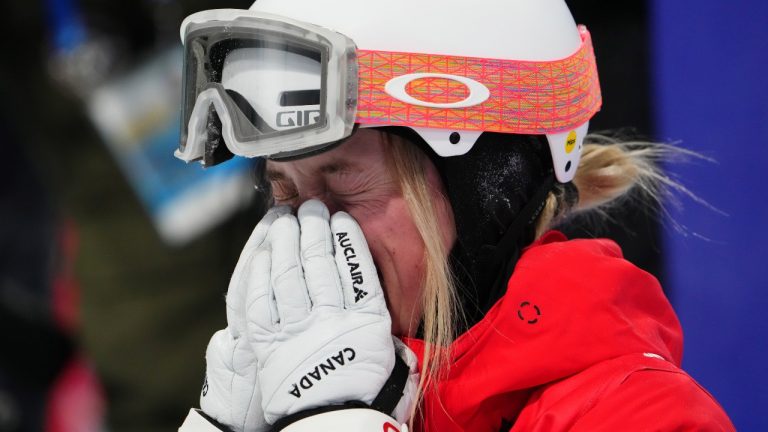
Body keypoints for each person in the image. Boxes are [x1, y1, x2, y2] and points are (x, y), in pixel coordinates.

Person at [176, 0, 735, 430]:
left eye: (344, 185)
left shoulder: (642, 413)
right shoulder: (300, 394)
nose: (306, 239)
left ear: (489, 191)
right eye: (285, 195)